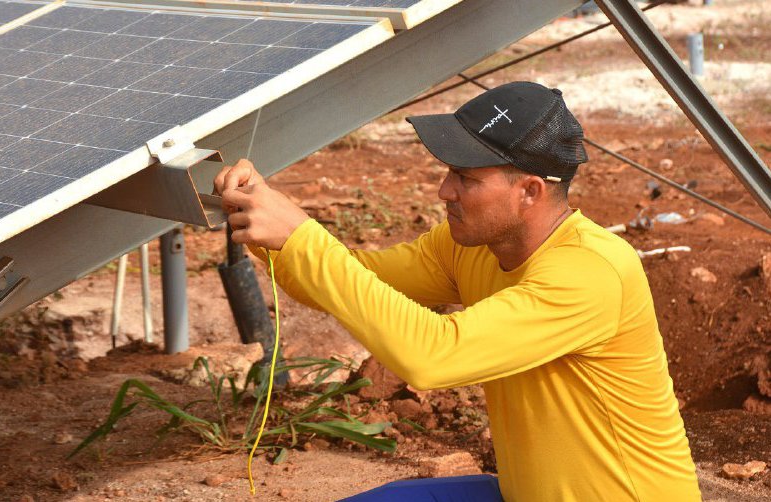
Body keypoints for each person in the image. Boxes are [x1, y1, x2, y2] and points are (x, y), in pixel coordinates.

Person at [214, 81, 701, 501]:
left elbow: (434, 358)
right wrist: (266, 228)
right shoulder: (471, 245)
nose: (445, 191)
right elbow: (348, 280)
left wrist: (304, 237)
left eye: (465, 178)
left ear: (529, 191)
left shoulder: (589, 273)